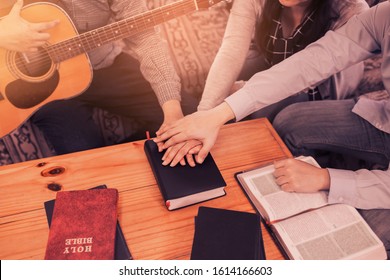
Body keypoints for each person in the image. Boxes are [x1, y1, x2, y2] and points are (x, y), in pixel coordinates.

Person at [155, 1, 390, 257]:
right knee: (290, 122)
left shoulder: (350, 9)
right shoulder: (383, 15)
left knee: (360, 242)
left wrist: (326, 179)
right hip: (383, 118)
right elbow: (311, 62)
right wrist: (216, 114)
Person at [0, 0, 195, 155]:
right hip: (43, 90)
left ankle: (129, 157)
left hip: (105, 66)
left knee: (191, 117)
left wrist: (171, 108)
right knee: (83, 156)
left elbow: (146, 38)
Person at [198, 0, 369, 121]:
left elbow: (302, 75)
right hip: (274, 61)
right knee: (215, 85)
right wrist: (204, 113)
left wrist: (242, 90)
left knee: (258, 111)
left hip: (319, 86)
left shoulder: (351, 10)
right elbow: (231, 51)